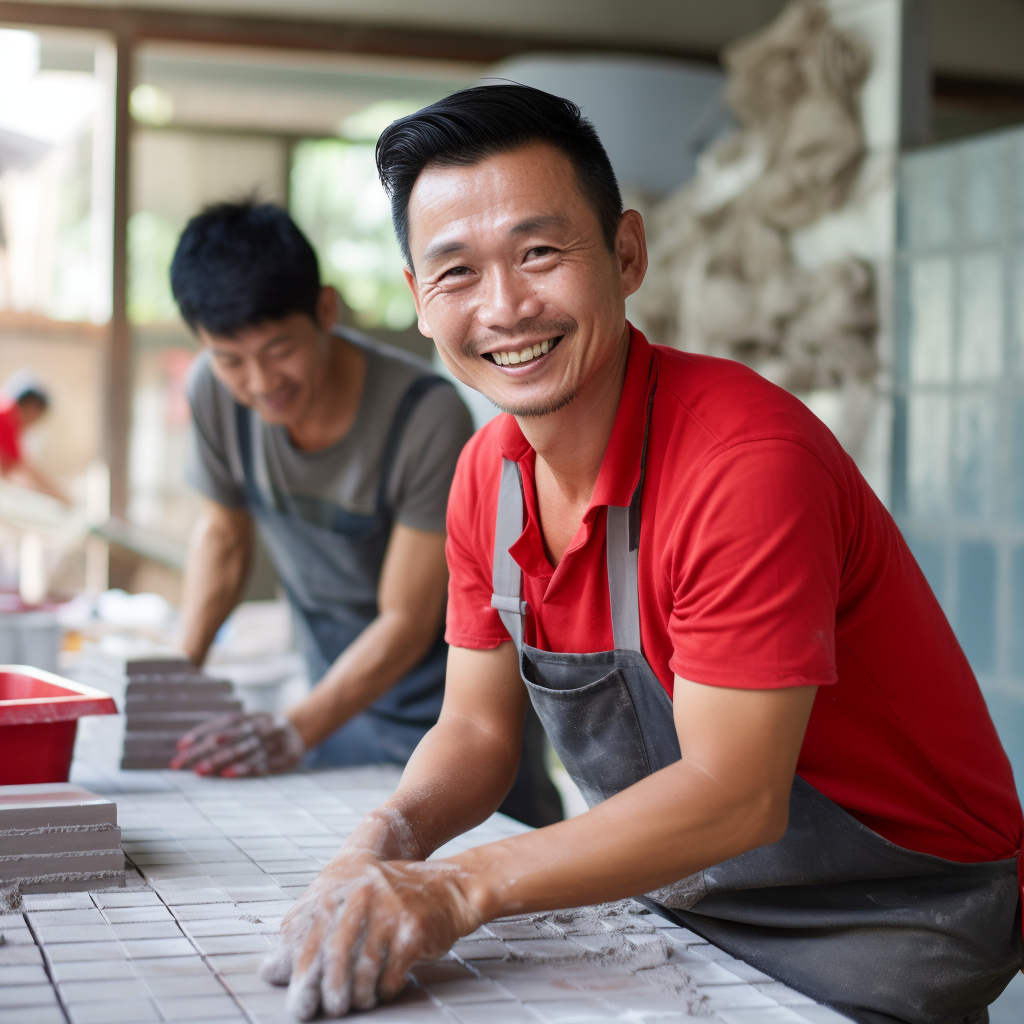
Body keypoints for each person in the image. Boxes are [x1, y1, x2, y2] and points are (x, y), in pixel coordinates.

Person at [261, 85, 1024, 1024]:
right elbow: (477, 731)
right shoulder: (486, 475)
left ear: (627, 254)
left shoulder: (745, 466)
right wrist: (383, 843)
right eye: (456, 272)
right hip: (691, 897)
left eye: (540, 253)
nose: (504, 307)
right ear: (419, 301)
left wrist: (456, 890)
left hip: (889, 921)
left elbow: (736, 795)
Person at [165, 200, 563, 829]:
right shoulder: (215, 393)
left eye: (279, 350)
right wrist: (174, 681)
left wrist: (293, 729)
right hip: (336, 711)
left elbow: (405, 619)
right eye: (231, 359)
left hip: (456, 725)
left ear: (326, 310)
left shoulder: (422, 416)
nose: (261, 381)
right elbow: (223, 539)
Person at [0, 371, 68, 503]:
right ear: (32, 407)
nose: (34, 424)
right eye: (38, 417)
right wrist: (60, 497)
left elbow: (18, 467)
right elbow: (20, 470)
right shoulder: (8, 416)